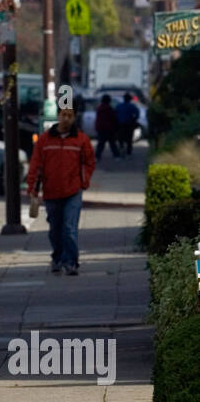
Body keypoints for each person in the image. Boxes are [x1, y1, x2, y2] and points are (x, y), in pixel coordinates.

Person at [26, 105, 96, 275]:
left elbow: (89, 162)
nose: (66, 118)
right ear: (58, 116)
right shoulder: (44, 140)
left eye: (70, 115)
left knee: (70, 228)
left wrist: (83, 182)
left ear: (74, 118)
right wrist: (32, 187)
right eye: (63, 115)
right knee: (55, 229)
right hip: (51, 191)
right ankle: (58, 257)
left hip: (73, 190)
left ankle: (71, 261)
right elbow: (35, 164)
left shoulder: (81, 140)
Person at [94, 93, 121, 160]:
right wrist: (116, 127)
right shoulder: (109, 109)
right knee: (112, 143)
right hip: (109, 128)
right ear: (109, 101)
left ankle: (97, 156)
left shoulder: (99, 108)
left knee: (101, 143)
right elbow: (114, 119)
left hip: (100, 128)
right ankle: (116, 155)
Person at [115, 92, 140, 156]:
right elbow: (137, 114)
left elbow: (114, 113)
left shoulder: (119, 106)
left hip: (120, 124)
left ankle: (122, 150)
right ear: (129, 99)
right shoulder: (132, 106)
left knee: (121, 138)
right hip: (129, 124)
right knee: (129, 139)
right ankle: (129, 152)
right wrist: (134, 120)